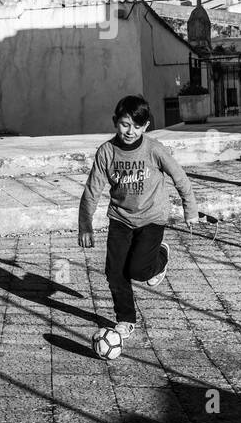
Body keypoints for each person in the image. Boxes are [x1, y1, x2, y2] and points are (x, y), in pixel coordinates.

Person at [77, 95, 198, 339]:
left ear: (146, 127)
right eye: (125, 124)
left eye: (137, 126)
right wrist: (85, 225)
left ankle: (161, 257)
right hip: (121, 218)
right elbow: (92, 190)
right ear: (115, 122)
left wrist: (190, 210)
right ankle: (125, 320)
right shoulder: (107, 152)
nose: (130, 131)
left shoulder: (154, 150)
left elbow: (180, 178)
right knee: (115, 272)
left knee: (140, 271)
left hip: (152, 218)